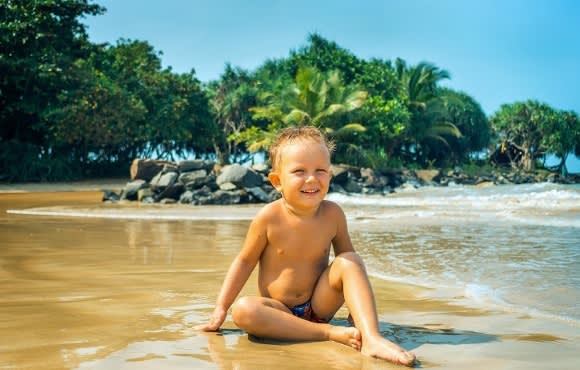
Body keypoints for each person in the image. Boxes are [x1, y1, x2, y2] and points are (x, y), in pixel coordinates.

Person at [196, 126, 416, 366]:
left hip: (320, 305)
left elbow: (347, 262)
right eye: (299, 171)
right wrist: (221, 307)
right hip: (279, 312)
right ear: (277, 181)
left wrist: (357, 311)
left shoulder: (333, 214)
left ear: (330, 176)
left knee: (350, 259)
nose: (312, 178)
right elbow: (245, 262)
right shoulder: (268, 218)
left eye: (320, 170)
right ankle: (328, 333)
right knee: (244, 310)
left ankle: (372, 338)